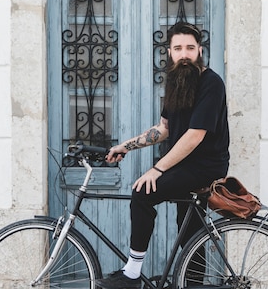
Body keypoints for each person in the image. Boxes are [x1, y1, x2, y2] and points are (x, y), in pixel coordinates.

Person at [96, 21, 230, 289]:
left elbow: (195, 135)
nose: (184, 54)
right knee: (190, 231)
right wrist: (126, 146)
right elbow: (164, 129)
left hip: (205, 166)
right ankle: (192, 284)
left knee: (143, 193)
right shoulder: (177, 81)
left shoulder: (211, 82)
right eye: (178, 48)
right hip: (187, 165)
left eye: (190, 48)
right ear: (169, 52)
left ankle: (132, 273)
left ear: (199, 50)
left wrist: (157, 169)